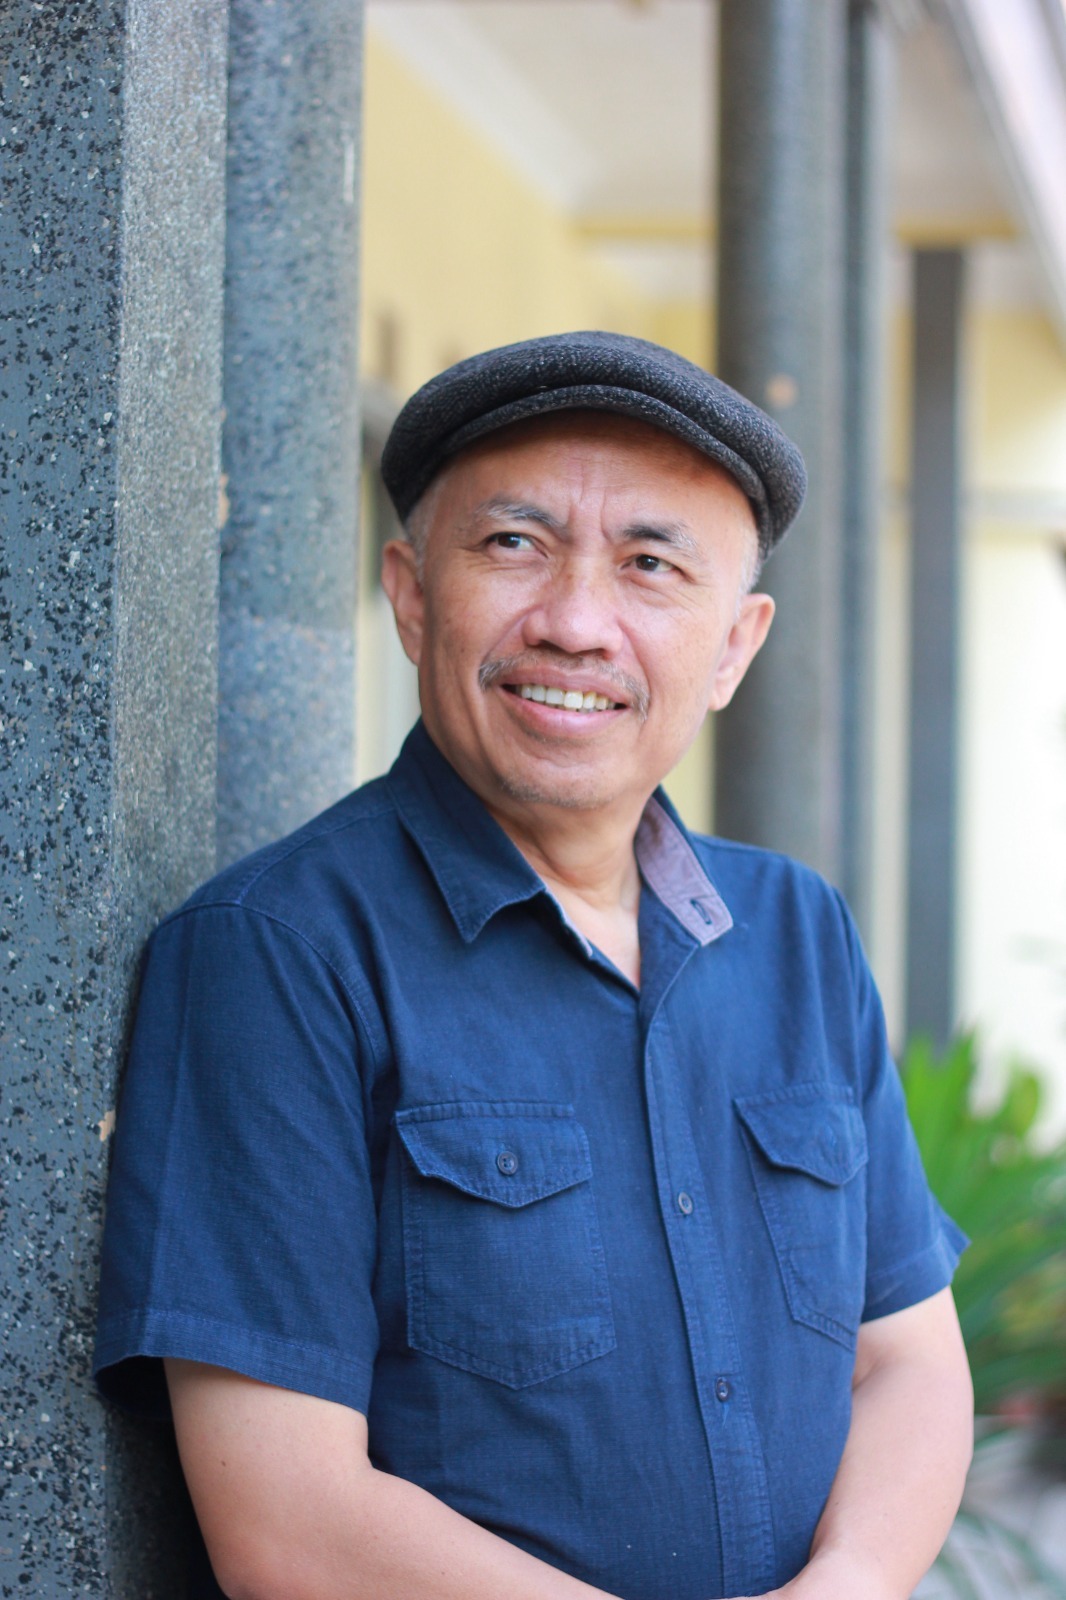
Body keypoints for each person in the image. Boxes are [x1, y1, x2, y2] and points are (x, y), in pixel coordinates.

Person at [94, 331, 973, 1600]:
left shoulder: (796, 931)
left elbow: (906, 1359)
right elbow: (287, 1523)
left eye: (650, 565)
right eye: (513, 543)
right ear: (410, 594)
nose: (572, 622)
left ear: (733, 647)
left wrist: (847, 1585)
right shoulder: (278, 951)